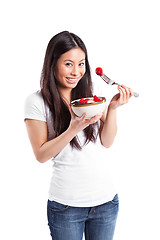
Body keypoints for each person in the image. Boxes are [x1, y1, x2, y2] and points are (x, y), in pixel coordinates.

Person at [24, 31, 133, 240]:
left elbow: (107, 142)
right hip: (66, 207)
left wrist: (112, 109)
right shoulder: (36, 101)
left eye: (81, 63)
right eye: (68, 64)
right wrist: (73, 128)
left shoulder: (89, 95)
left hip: (105, 203)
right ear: (52, 63)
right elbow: (41, 154)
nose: (76, 71)